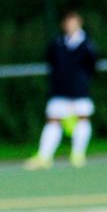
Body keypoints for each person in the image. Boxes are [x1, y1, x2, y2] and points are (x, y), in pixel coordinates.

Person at [25, 10, 98, 170]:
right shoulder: (57, 42)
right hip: (59, 90)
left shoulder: (87, 43)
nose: (70, 25)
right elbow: (50, 61)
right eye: (67, 22)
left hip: (80, 91)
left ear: (79, 23)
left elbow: (93, 65)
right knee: (53, 120)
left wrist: (80, 82)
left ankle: (78, 155)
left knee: (82, 119)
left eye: (73, 22)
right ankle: (44, 157)